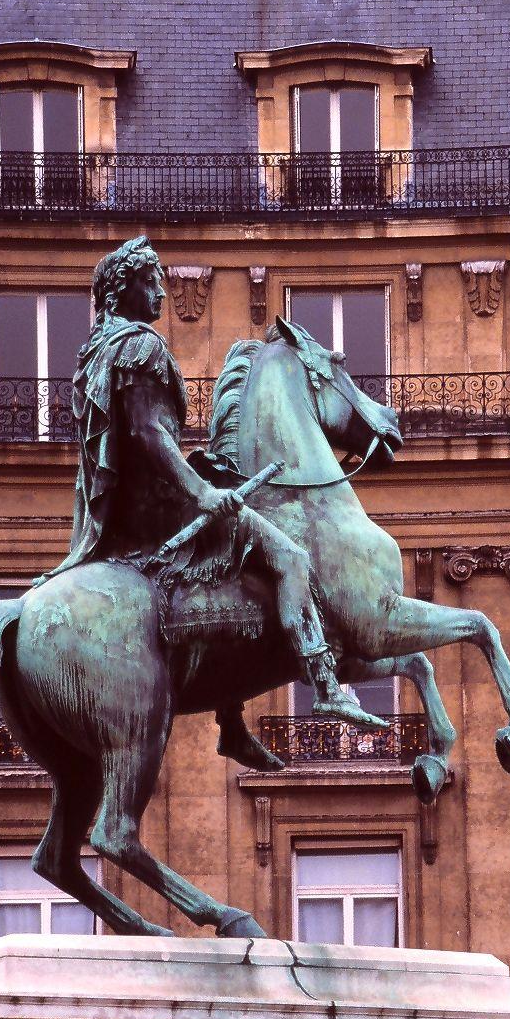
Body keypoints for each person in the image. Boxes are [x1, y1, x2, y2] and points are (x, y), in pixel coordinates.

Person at [43, 236, 386, 766]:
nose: (161, 290)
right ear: (125, 288)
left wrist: (202, 469)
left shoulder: (94, 353)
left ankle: (231, 721)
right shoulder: (139, 347)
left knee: (231, 586)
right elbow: (149, 435)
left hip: (123, 510)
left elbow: (130, 443)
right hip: (159, 510)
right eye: (151, 280)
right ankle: (326, 685)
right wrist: (203, 491)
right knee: (289, 558)